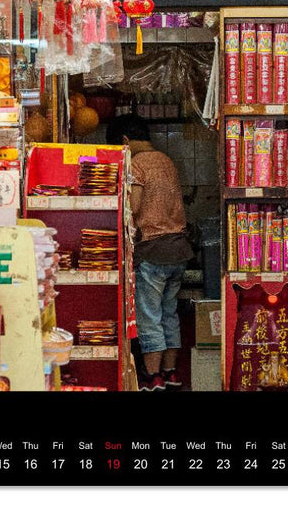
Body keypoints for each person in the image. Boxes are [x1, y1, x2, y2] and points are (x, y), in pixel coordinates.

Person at [107, 114, 192, 392]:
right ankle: (170, 372)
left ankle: (153, 377)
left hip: (152, 251)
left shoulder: (136, 164)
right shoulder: (166, 160)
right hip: (178, 250)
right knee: (169, 314)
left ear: (125, 141)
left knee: (149, 316)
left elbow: (135, 208)